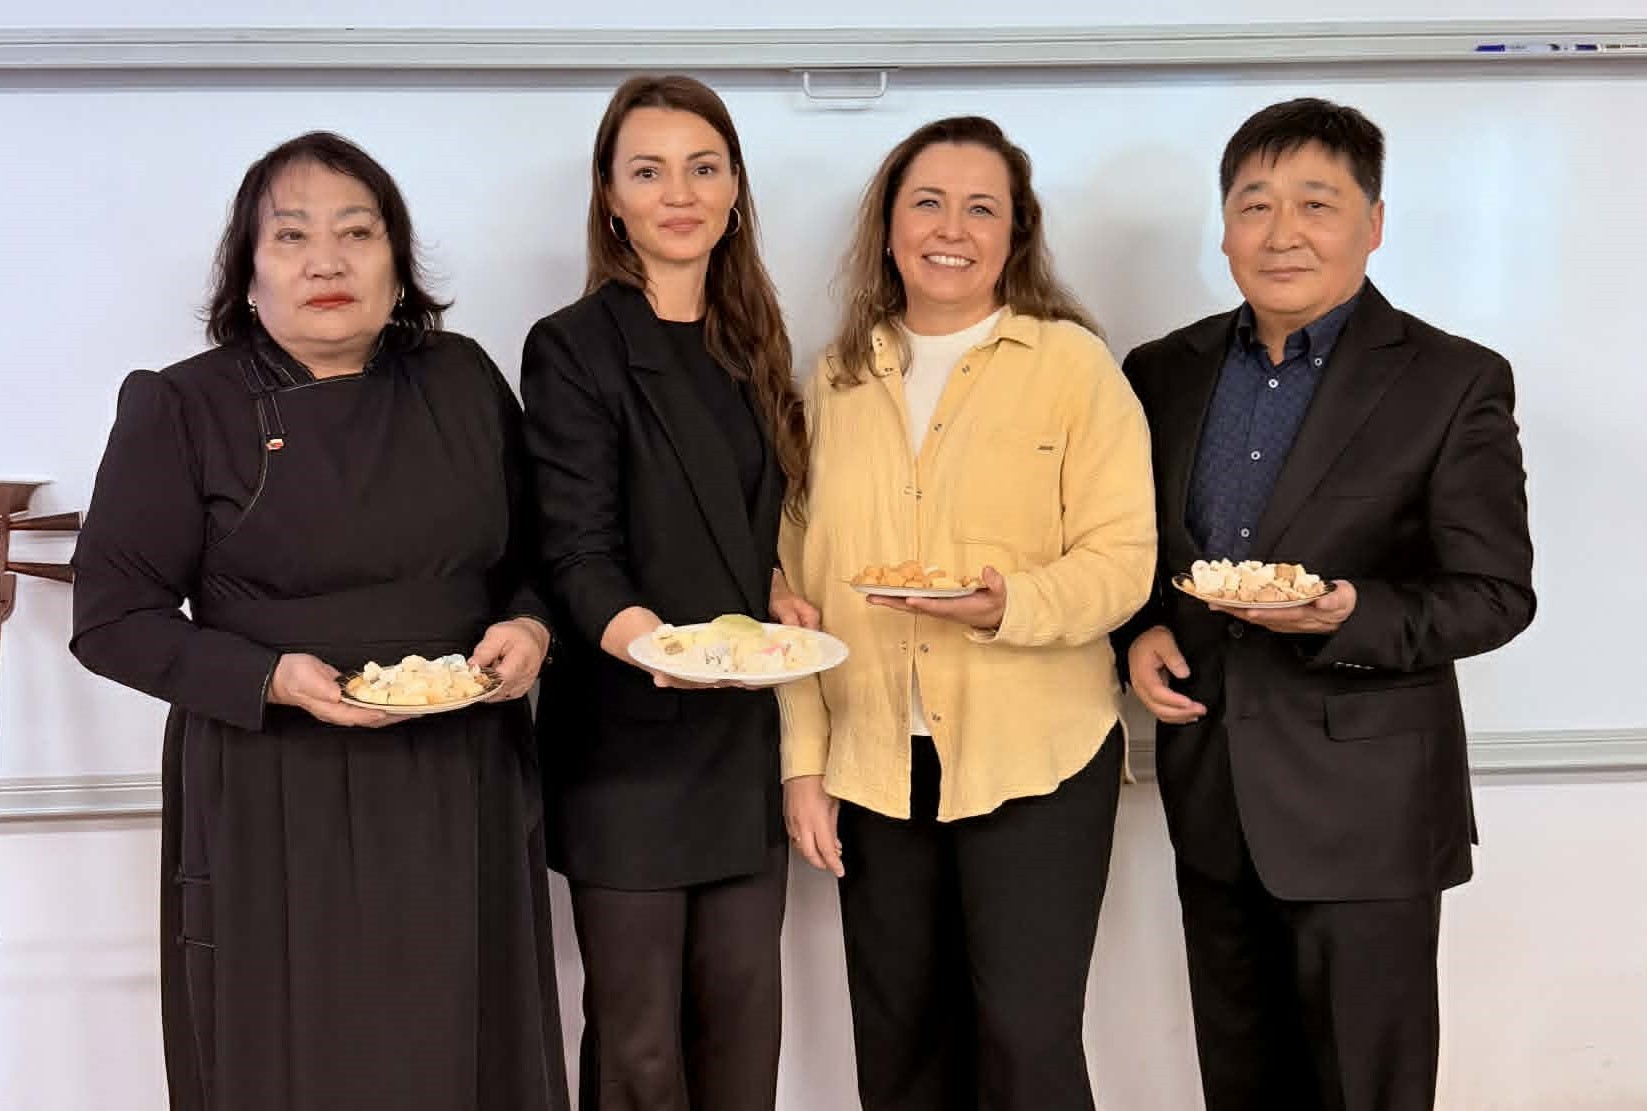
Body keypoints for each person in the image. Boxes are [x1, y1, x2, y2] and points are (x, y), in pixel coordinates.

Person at [70, 132, 568, 1110]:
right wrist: (266, 676)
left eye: (357, 233)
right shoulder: (182, 405)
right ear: (248, 270)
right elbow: (112, 617)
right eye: (291, 236)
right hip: (274, 784)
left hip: (461, 768)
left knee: (469, 1047)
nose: (326, 262)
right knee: (300, 1057)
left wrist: (532, 627)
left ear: (397, 261)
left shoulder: (463, 378)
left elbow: (540, 557)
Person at [1112, 98, 1536, 1111]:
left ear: (1372, 223)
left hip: (1367, 813)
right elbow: (1130, 552)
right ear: (1224, 227)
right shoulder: (1160, 373)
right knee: (1239, 1083)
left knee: (1365, 1090)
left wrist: (1346, 614)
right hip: (1213, 798)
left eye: (1316, 203)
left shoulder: (1451, 380)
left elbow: (1493, 594)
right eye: (1254, 204)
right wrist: (1137, 631)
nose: (1282, 232)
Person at [778, 115, 1156, 1111]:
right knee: (899, 1050)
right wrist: (804, 763)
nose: (952, 228)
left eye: (981, 207)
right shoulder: (834, 378)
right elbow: (795, 588)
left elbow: (1123, 564)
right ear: (888, 227)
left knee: (1026, 1047)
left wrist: (1008, 604)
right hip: (873, 763)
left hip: (1036, 758)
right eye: (928, 203)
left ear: (1016, 232)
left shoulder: (1072, 366)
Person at [519, 75, 811, 1111]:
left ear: (734, 189)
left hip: (739, 743)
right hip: (626, 745)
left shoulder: (755, 343)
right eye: (647, 171)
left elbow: (738, 523)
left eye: (702, 167)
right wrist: (656, 644)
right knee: (639, 1051)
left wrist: (778, 586)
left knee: (742, 1034)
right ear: (610, 197)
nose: (678, 193)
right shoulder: (572, 346)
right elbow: (574, 548)